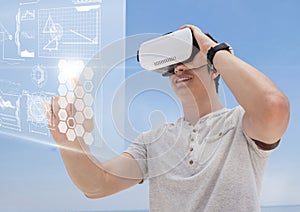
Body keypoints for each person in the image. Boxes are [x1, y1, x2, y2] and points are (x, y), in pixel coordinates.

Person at [47, 24, 290, 211]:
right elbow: (97, 184)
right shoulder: (153, 141)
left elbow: (273, 106)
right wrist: (68, 139)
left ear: (215, 68)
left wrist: (210, 48)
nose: (178, 68)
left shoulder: (242, 125)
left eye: (188, 57)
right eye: (172, 63)